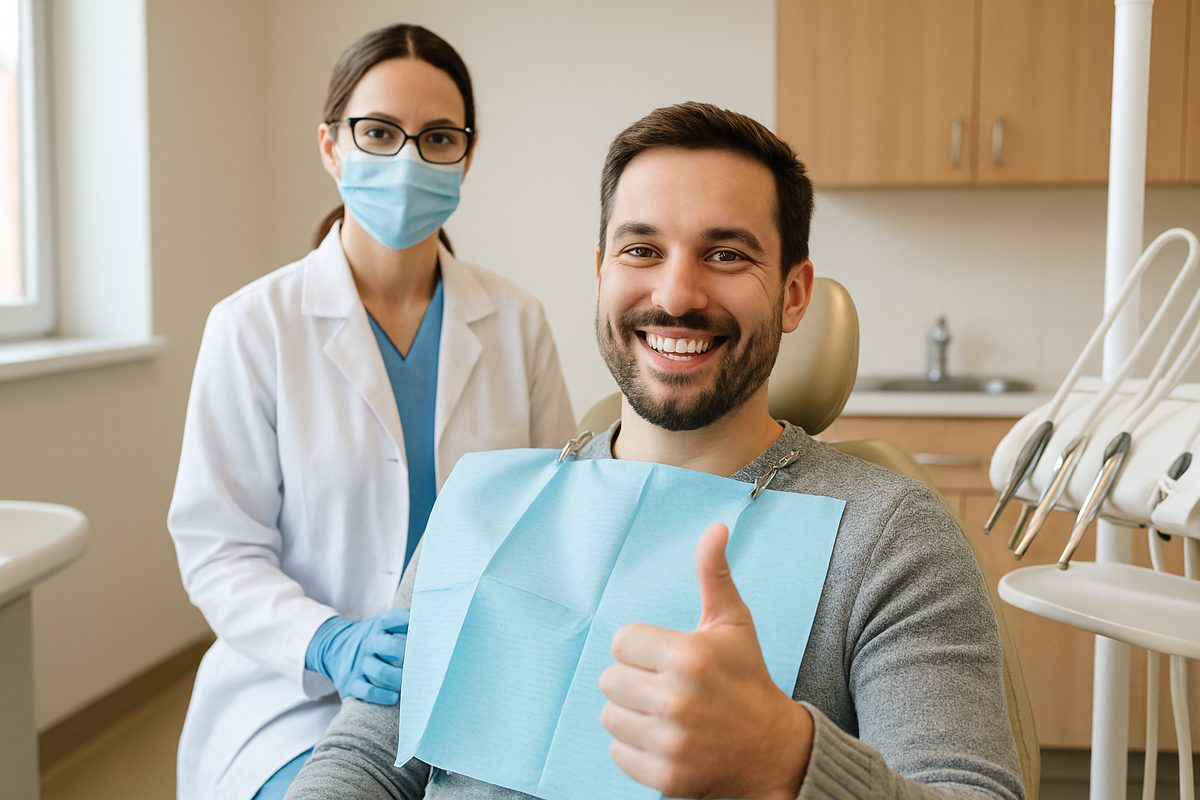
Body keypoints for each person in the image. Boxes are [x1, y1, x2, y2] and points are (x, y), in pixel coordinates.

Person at [285, 102, 1024, 800]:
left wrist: (788, 761)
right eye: (642, 249)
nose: (675, 295)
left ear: (794, 294)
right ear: (601, 271)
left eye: (726, 254)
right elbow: (366, 755)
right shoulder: (485, 504)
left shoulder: (887, 538)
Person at [167, 24, 575, 800]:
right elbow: (218, 551)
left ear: (468, 153)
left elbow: (551, 524)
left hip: (477, 686)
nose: (409, 161)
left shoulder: (516, 321)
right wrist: (330, 641)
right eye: (380, 133)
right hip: (297, 699)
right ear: (331, 146)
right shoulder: (254, 325)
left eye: (437, 138)